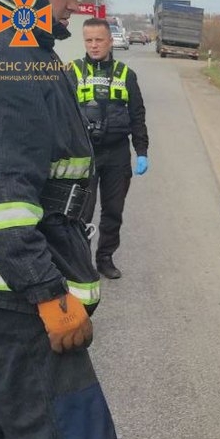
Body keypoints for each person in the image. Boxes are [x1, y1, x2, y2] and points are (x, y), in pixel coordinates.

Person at [0, 0, 126, 439]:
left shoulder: (18, 43)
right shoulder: (2, 48)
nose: (76, 6)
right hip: (16, 300)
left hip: (13, 293)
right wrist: (47, 292)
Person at [70, 17, 149, 279]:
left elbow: (137, 115)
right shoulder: (73, 71)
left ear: (110, 41)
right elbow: (62, 115)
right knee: (82, 211)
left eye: (99, 40)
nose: (93, 46)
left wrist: (142, 152)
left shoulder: (126, 75)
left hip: (117, 153)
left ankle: (105, 258)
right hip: (86, 153)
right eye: (88, 40)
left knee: (113, 210)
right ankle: (80, 260)